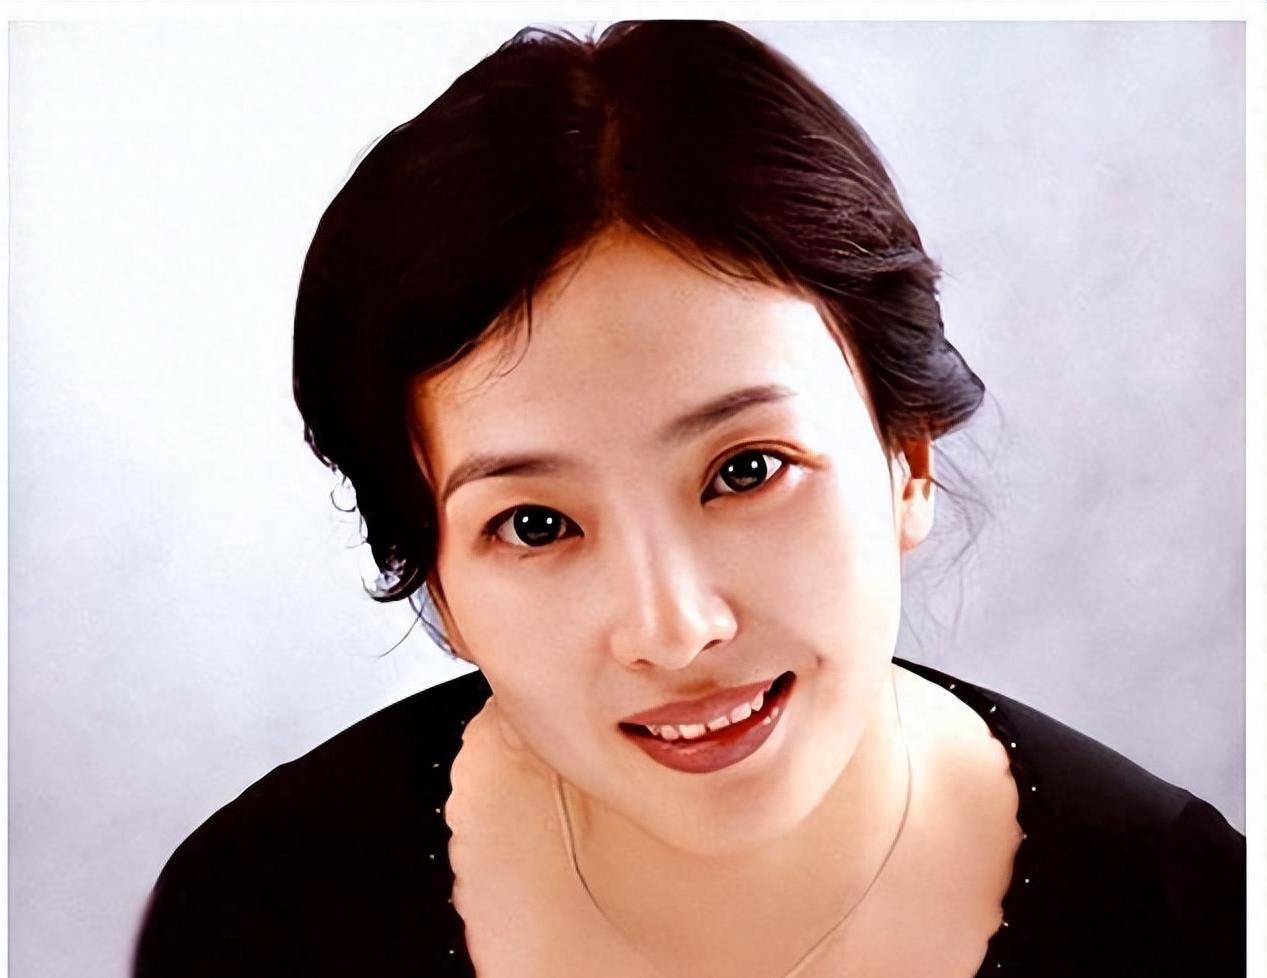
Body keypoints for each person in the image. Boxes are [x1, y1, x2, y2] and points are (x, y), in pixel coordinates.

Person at [132, 20, 1245, 978]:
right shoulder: (264, 919)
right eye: (535, 525)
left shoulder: (1186, 919)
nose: (673, 630)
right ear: (439, 585)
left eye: (746, 470)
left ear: (905, 459)